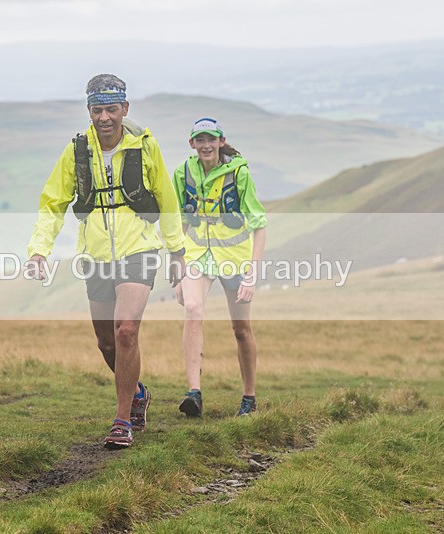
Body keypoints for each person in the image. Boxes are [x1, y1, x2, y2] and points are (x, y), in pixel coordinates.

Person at [26, 74, 186, 449]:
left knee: (126, 330)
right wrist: (39, 249)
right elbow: (52, 203)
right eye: (97, 110)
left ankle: (122, 420)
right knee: (107, 343)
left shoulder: (145, 147)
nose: (104, 118)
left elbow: (167, 198)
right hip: (96, 254)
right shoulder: (76, 151)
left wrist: (177, 251)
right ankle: (139, 393)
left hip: (139, 249)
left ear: (124, 108)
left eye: (111, 109)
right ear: (88, 110)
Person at [172, 118, 268, 418]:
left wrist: (251, 275)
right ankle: (194, 393)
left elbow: (259, 224)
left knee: (241, 330)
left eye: (211, 139)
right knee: (192, 309)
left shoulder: (239, 172)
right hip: (197, 255)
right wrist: (178, 270)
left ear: (221, 141)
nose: (205, 145)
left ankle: (249, 397)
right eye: (200, 140)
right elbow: (181, 222)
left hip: (234, 258)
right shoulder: (182, 173)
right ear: (192, 143)